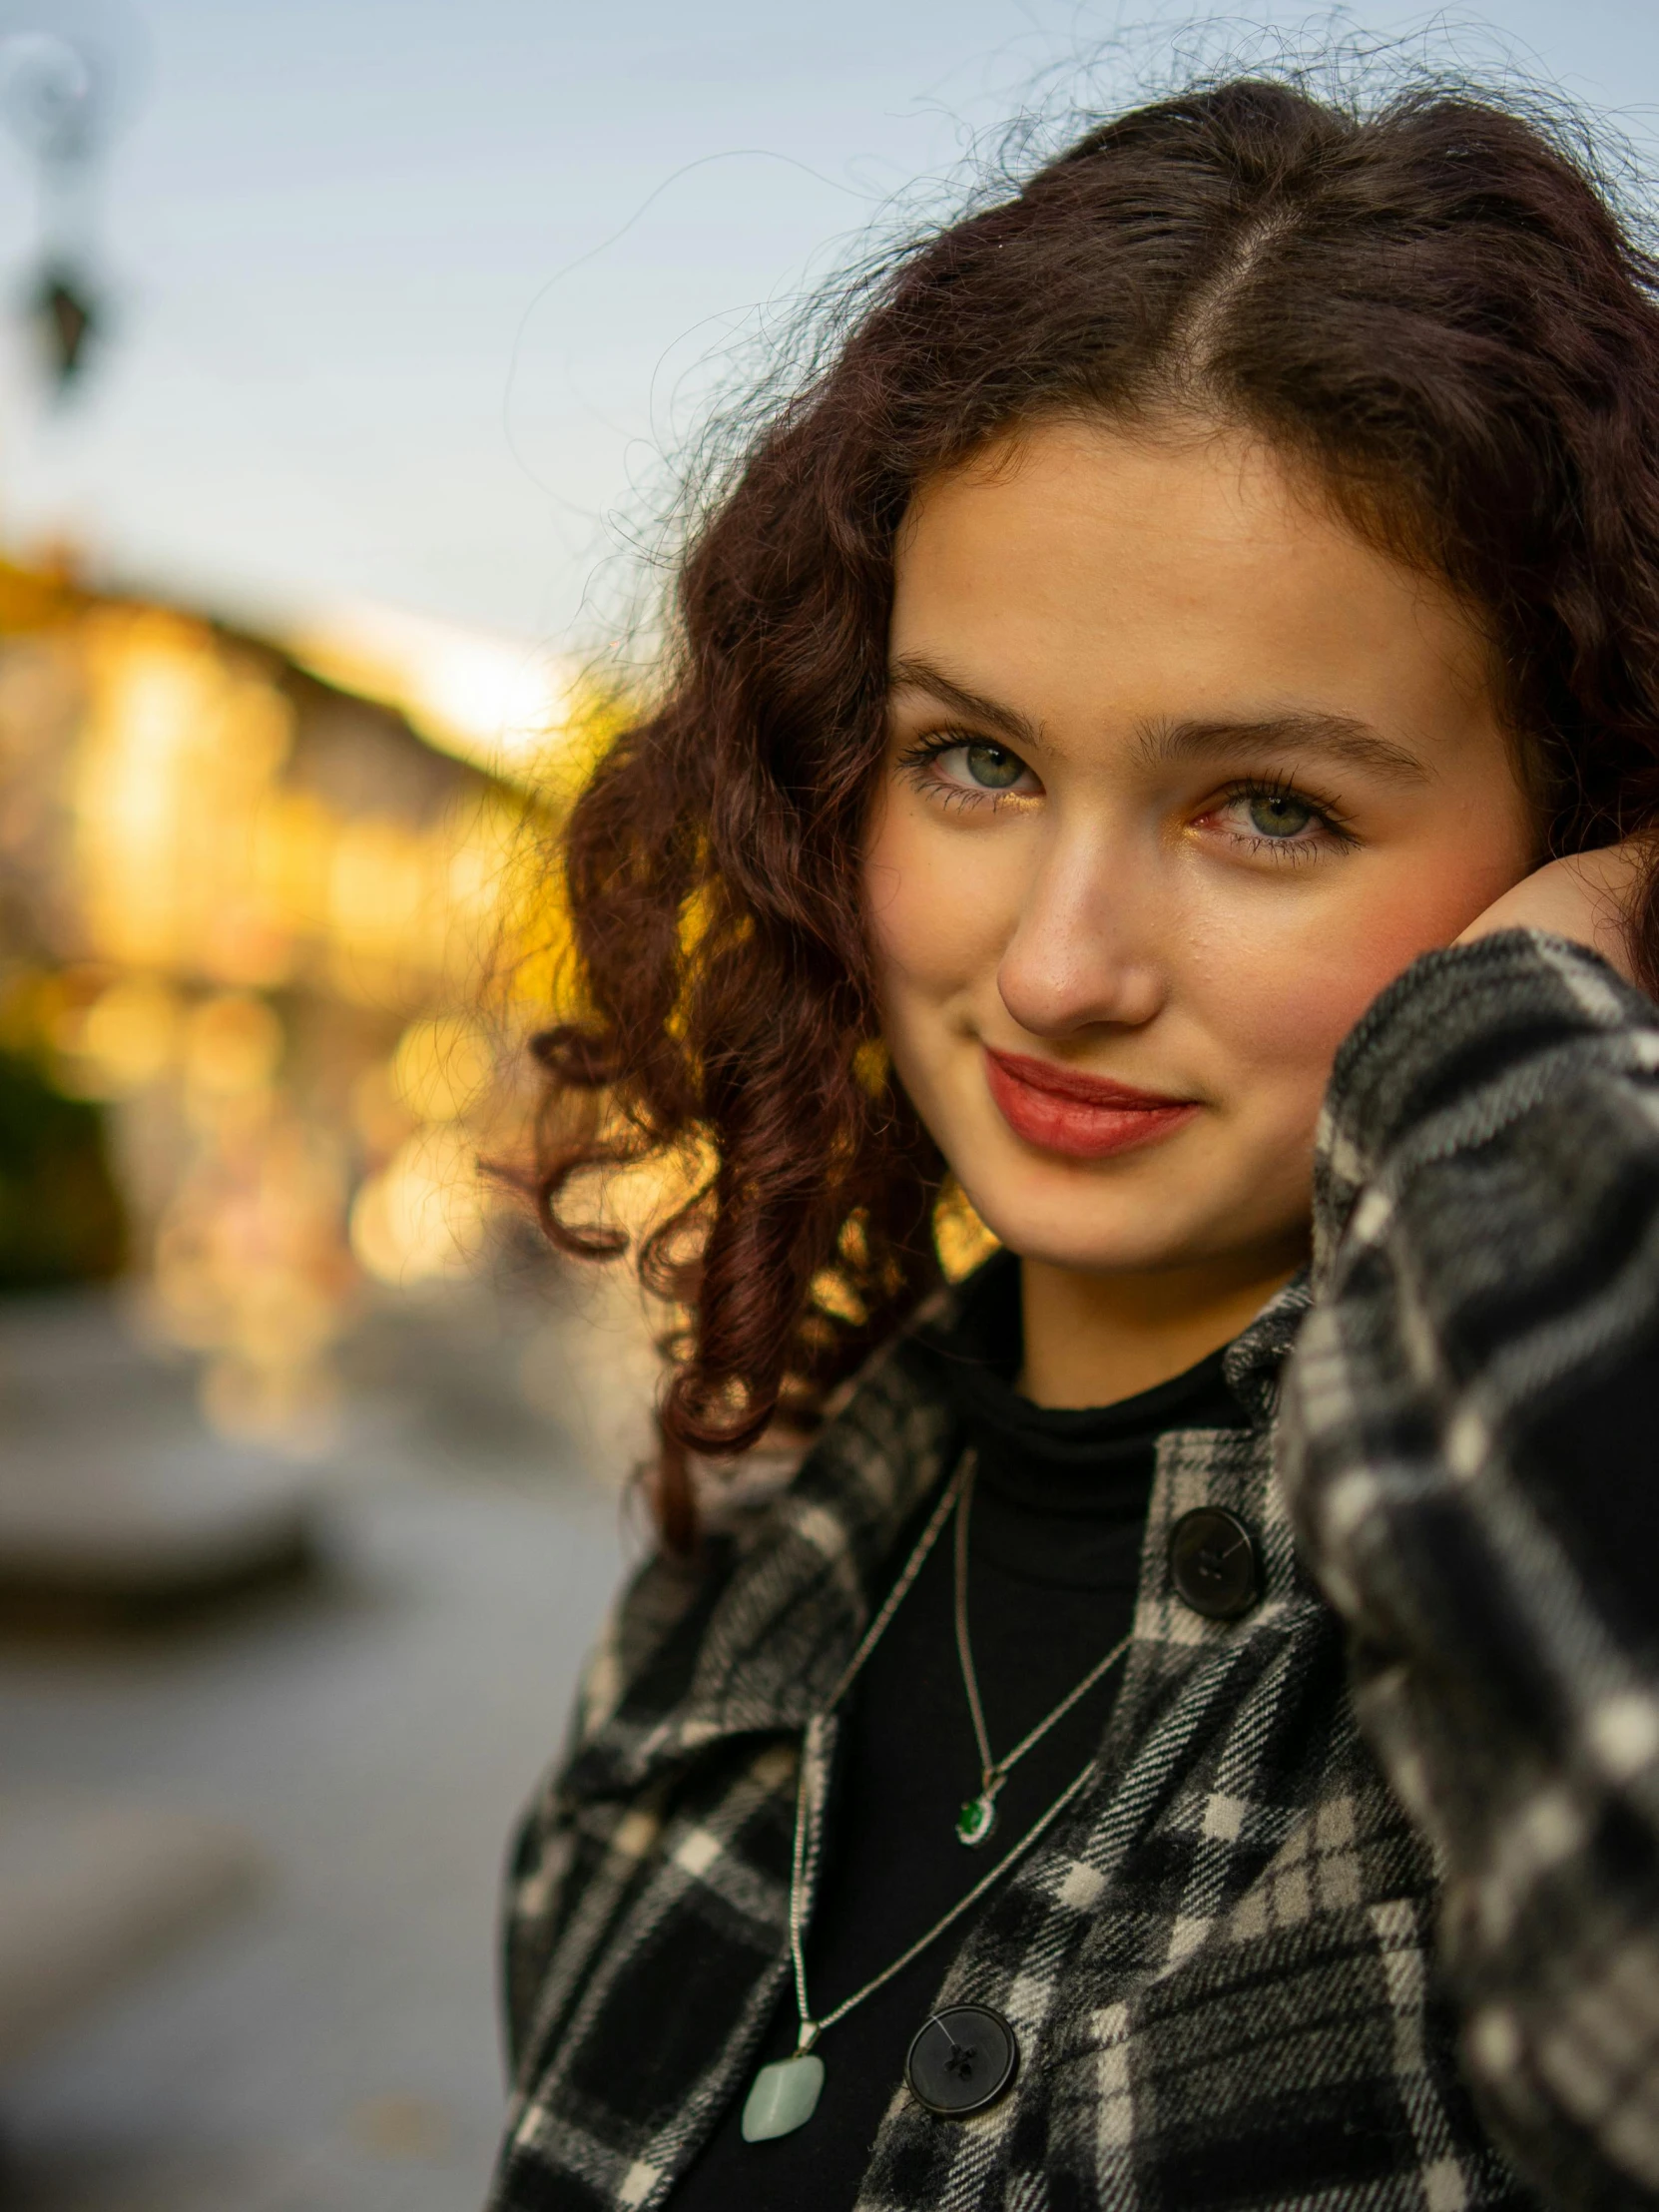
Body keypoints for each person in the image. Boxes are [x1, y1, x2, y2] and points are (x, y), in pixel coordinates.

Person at [486, 72, 1659, 2212]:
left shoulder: (1543, 1610)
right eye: (976, 761)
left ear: (1585, 844)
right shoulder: (739, 1608)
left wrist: (1512, 1055)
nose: (1057, 967)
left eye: (1271, 807)